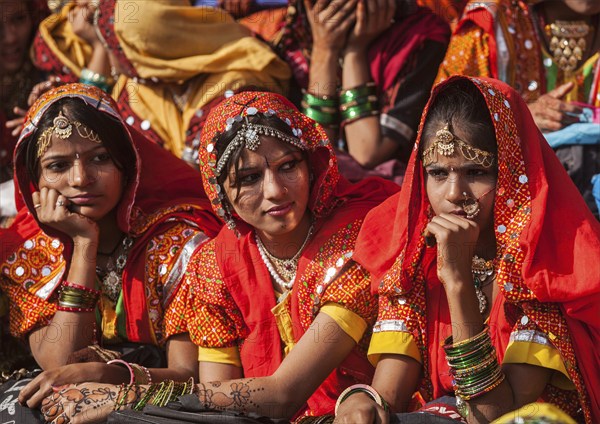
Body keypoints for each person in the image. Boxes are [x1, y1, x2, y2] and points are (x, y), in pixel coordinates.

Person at [39, 90, 400, 422]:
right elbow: (216, 398)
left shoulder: (351, 241)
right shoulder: (215, 262)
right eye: (249, 178)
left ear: (312, 166)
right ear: (219, 192)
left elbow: (284, 394)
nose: (274, 191)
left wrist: (122, 396)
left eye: (288, 166)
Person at [333, 76, 600, 423]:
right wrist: (361, 402)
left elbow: (493, 413)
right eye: (438, 173)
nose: (454, 193)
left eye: (476, 171)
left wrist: (456, 280)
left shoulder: (544, 266)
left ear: (511, 173)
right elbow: (391, 392)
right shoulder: (415, 256)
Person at [0, 83, 222, 411]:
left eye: (100, 158)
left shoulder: (176, 245)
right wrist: (84, 244)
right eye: (58, 166)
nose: (80, 178)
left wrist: (107, 374)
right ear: (35, 180)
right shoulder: (29, 253)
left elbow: (188, 376)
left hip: (151, 406)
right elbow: (58, 362)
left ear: (127, 163)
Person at [31, 0, 291, 166]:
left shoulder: (239, 86)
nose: (113, 55)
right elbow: (85, 140)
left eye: (117, 46)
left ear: (150, 56)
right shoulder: (137, 90)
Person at [273, 0, 450, 183]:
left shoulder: (422, 36)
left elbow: (367, 152)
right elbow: (315, 151)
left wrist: (354, 53)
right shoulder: (289, 37)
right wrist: (324, 50)